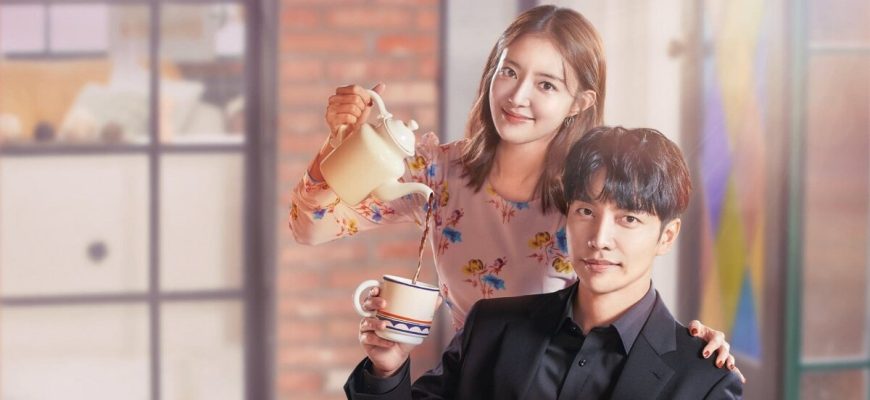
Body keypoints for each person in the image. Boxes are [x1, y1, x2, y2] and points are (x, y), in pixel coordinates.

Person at [289, 5, 741, 377]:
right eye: (509, 71)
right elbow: (310, 228)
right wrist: (339, 143)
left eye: (546, 84)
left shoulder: (587, 196)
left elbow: (627, 284)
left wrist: (692, 348)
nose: (517, 96)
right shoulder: (438, 174)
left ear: (579, 103)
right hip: (465, 383)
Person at [345, 126, 743, 399]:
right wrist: (387, 371)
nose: (600, 238)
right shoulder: (491, 327)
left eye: (629, 219)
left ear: (667, 236)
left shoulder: (704, 379)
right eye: (586, 211)